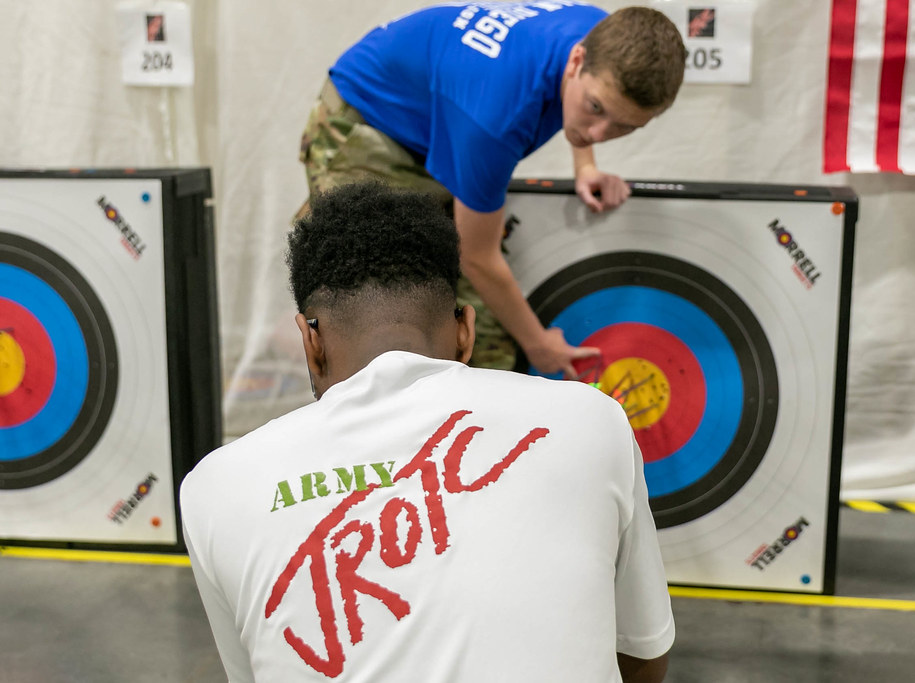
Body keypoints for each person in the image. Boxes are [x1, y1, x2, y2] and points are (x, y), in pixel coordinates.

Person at [182, 182, 675, 682]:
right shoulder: (592, 419)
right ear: (466, 331)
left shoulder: (216, 487)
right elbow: (644, 655)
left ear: (311, 341)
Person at [298, 2, 686, 377]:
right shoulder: (495, 119)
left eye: (625, 126)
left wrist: (586, 165)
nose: (598, 132)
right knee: (387, 314)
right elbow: (477, 258)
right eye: (596, 108)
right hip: (368, 125)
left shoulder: (601, 34)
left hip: (445, 113)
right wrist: (538, 345)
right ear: (577, 61)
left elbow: (589, 112)